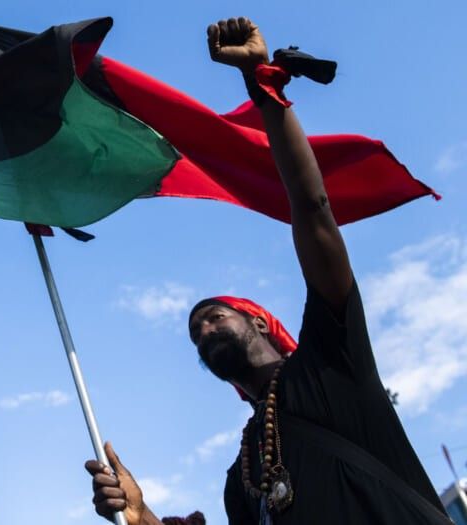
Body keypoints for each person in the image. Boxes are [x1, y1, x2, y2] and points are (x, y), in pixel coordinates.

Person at [86, 17, 450, 525]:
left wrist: (264, 89)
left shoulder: (331, 364)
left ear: (258, 322)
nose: (204, 330)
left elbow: (312, 208)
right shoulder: (242, 478)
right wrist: (140, 513)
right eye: (196, 332)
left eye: (213, 317)